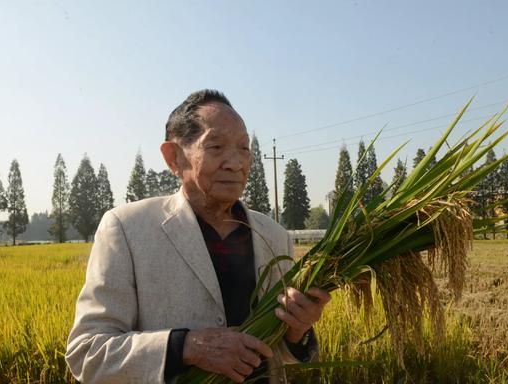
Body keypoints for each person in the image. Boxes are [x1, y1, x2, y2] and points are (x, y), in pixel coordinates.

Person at [65, 89, 331, 384]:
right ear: (174, 156)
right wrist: (186, 347)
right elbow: (88, 353)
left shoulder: (275, 236)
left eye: (244, 148)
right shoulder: (127, 229)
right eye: (216, 147)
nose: (235, 163)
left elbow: (284, 357)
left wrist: (298, 333)